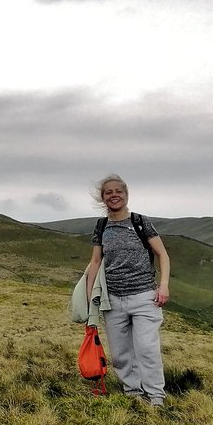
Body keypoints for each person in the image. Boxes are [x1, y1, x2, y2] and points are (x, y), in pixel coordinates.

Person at [83, 174, 172, 406]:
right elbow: (95, 262)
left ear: (126, 194)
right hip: (112, 300)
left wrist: (163, 285)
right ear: (103, 198)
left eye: (118, 191)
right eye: (108, 192)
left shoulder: (140, 222)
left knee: (147, 350)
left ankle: (155, 396)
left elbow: (162, 254)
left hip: (144, 297)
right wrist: (89, 299)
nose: (114, 195)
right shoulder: (101, 226)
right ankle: (132, 393)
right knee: (121, 353)